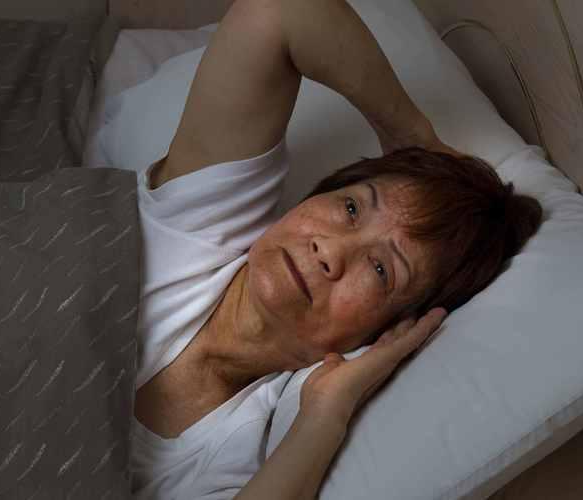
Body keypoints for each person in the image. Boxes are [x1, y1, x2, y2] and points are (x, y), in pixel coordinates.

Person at [130, 0, 543, 498]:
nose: (331, 251)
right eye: (350, 208)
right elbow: (280, 12)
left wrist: (326, 415)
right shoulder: (195, 224)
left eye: (381, 270)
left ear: (388, 331)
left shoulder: (233, 454)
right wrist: (412, 136)